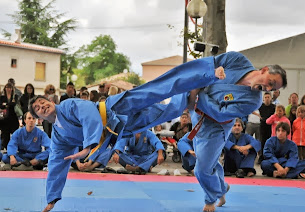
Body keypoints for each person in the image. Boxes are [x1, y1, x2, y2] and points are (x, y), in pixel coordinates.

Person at [29, 51, 287, 212]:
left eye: (272, 89)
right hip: (123, 126)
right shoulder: (60, 135)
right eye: (270, 83)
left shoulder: (70, 104)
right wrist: (52, 197)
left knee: (198, 160)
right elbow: (56, 161)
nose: (268, 89)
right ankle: (219, 187)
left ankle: (213, 194)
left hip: (207, 121)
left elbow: (88, 116)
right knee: (168, 102)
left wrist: (200, 87)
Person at [0, 83, 20, 150]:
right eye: (7, 88)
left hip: (13, 118)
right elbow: (1, 106)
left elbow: (14, 104)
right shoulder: (2, 97)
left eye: (10, 88)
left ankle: (14, 148)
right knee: (5, 135)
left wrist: (6, 105)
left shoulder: (15, 96)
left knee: (15, 134)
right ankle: (7, 148)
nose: (8, 89)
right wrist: (8, 105)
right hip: (4, 119)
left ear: (12, 89)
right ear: (5, 88)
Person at [258, 92, 276, 164]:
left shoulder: (274, 107)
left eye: (268, 97)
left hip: (271, 126)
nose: (267, 99)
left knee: (270, 142)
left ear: (271, 98)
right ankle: (261, 156)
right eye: (265, 97)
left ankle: (270, 156)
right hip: (262, 126)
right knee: (262, 141)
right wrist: (258, 116)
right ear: (263, 98)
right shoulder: (260, 106)